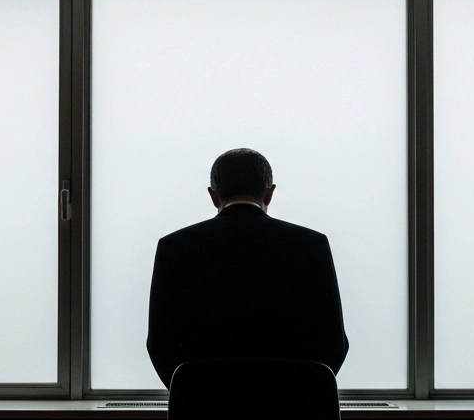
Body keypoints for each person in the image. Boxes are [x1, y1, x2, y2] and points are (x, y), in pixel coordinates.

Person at [146, 148, 349, 388]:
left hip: (202, 408)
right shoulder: (311, 245)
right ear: (269, 193)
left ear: (213, 195)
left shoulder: (174, 247)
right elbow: (334, 342)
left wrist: (191, 393)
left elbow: (160, 343)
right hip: (293, 408)